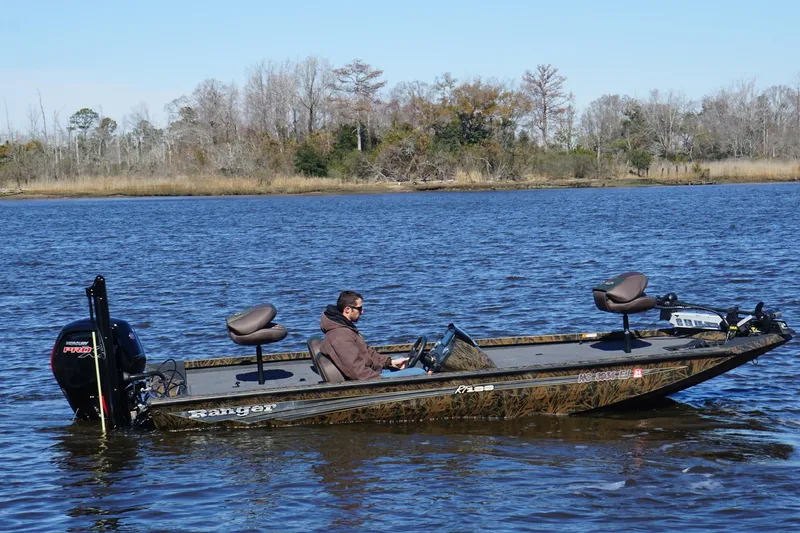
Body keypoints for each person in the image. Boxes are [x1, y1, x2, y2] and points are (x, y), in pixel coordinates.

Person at [319, 291, 428, 380]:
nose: (362, 311)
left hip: (370, 372)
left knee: (398, 359)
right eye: (359, 308)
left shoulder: (346, 329)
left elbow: (367, 352)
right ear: (347, 309)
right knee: (419, 372)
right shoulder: (340, 337)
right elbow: (357, 372)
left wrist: (390, 362)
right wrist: (382, 379)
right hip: (369, 381)